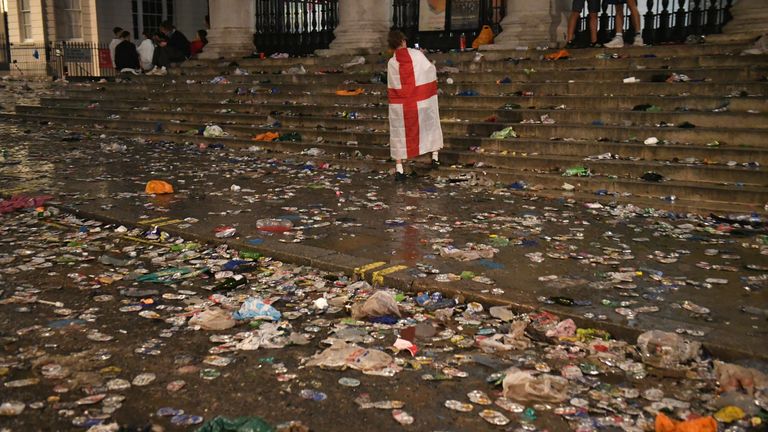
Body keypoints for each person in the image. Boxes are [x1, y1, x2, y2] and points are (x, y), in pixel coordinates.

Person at [386, 31, 443, 182]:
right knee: (430, 124)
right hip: (421, 101)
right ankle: (435, 156)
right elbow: (428, 70)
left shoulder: (392, 63)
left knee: (399, 134)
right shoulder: (416, 55)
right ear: (403, 41)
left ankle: (399, 169)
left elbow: (393, 85)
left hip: (401, 106)